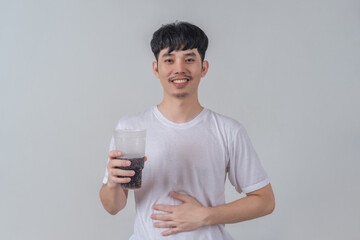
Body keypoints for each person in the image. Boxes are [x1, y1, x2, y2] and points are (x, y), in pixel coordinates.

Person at [99, 21, 275, 239]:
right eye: (169, 60)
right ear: (156, 69)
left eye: (189, 59)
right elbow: (113, 206)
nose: (179, 69)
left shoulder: (228, 130)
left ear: (204, 68)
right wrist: (114, 183)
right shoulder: (130, 127)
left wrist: (204, 216)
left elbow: (265, 201)